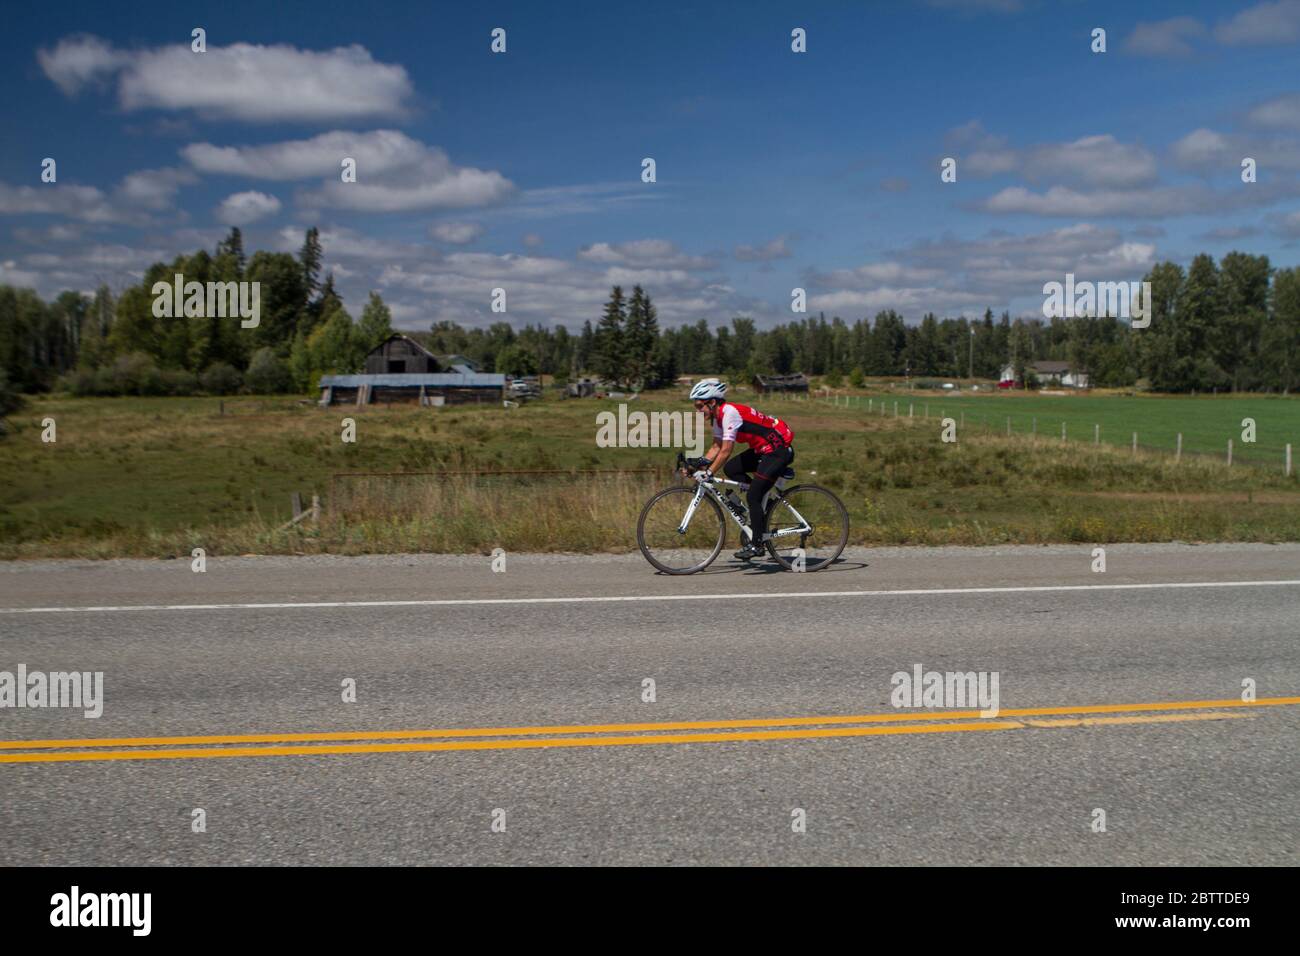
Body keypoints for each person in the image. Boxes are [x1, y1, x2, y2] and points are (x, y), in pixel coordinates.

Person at [685, 378, 794, 560]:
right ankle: (758, 508)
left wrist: (709, 473)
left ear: (712, 402)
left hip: (778, 451)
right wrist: (696, 464)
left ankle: (757, 544)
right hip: (763, 450)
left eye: (699, 406)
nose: (697, 410)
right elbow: (716, 448)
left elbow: (726, 450)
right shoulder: (718, 418)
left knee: (753, 495)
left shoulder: (729, 414)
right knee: (731, 469)